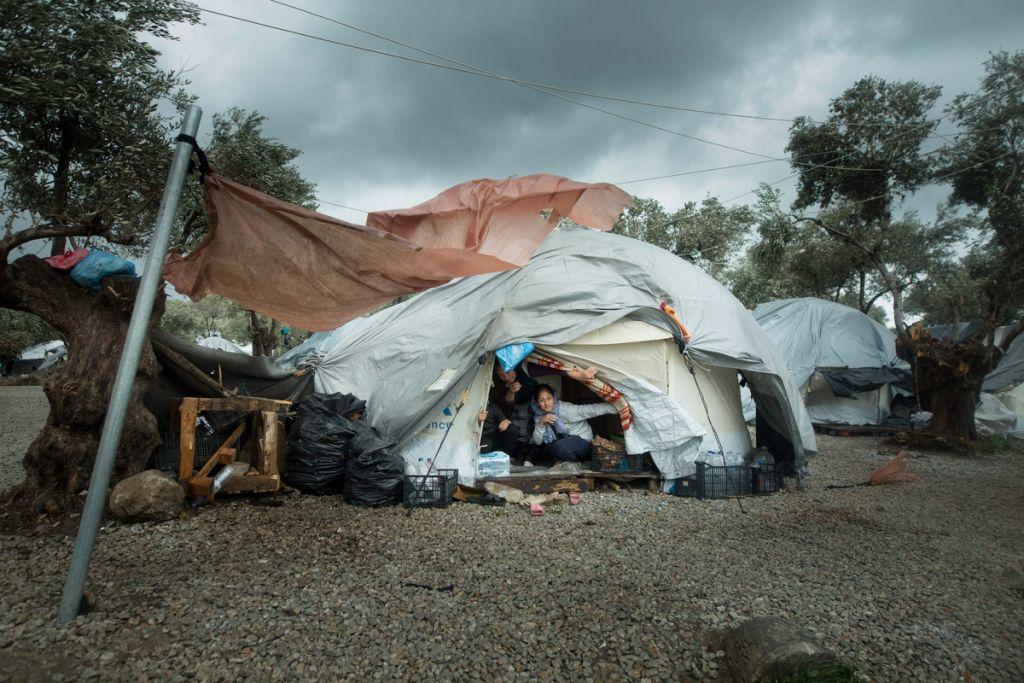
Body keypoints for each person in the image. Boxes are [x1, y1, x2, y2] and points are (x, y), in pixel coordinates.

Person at [530, 383, 617, 462]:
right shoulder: (539, 416)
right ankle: (563, 461)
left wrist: (619, 408)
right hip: (565, 441)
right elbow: (538, 441)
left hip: (583, 442)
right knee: (549, 443)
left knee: (559, 446)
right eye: (542, 400)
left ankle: (576, 463)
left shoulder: (566, 410)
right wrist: (541, 423)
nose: (546, 403)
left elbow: (592, 410)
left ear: (554, 397)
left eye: (549, 398)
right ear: (537, 403)